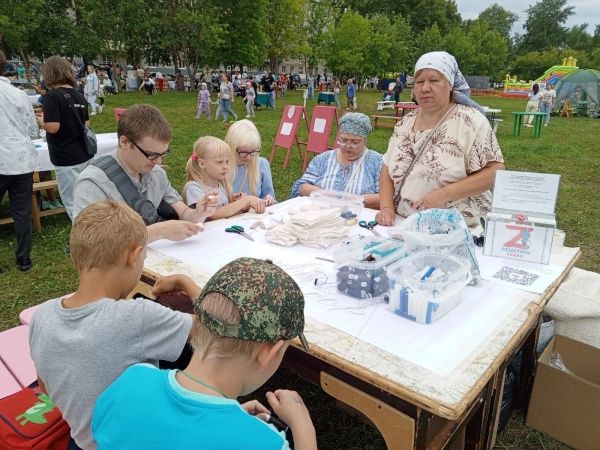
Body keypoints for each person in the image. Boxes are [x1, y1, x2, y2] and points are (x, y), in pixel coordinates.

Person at [92, 257, 317, 450]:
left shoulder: (131, 380)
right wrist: (302, 426)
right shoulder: (265, 443)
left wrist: (230, 419)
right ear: (269, 353)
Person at [29, 200, 197, 450]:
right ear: (134, 256)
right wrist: (184, 281)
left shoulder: (41, 316)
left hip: (82, 440)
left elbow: (44, 385)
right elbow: (214, 323)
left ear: (76, 256)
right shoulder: (136, 317)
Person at [375, 51, 505, 231]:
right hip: (404, 225)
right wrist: (387, 208)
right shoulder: (406, 122)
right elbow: (387, 168)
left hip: (456, 229)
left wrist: (444, 194)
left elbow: (495, 171)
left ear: (450, 84)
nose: (425, 88)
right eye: (419, 82)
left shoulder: (470, 121)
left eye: (434, 80)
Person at [73, 104, 218, 242]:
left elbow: (184, 214)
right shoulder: (92, 183)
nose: (159, 161)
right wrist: (160, 231)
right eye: (151, 154)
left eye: (163, 153)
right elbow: (92, 243)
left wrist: (199, 212)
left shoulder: (157, 174)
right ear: (125, 142)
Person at [35, 56, 93, 221]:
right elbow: (86, 123)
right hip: (84, 153)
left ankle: (83, 240)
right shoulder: (79, 95)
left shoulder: (53, 96)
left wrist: (41, 122)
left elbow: (53, 127)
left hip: (65, 157)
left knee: (72, 202)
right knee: (86, 198)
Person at [291, 113, 383, 208]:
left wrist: (360, 200)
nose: (348, 146)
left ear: (365, 141)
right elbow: (300, 187)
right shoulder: (323, 159)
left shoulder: (377, 162)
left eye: (355, 142)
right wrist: (322, 193)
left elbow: (388, 197)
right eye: (343, 140)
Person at [0, 51, 39, 272]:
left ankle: (24, 256)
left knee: (22, 210)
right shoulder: (18, 94)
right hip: (21, 158)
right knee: (22, 211)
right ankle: (24, 256)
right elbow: (32, 129)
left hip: (6, 158)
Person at [183, 136, 267, 219]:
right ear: (202, 164)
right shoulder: (194, 188)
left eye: (227, 161)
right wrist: (245, 201)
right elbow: (212, 215)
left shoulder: (221, 185)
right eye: (219, 162)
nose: (226, 166)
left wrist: (242, 207)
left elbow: (226, 216)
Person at [225, 120, 275, 204]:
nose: (249, 157)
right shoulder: (220, 168)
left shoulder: (261, 164)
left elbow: (270, 198)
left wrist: (268, 200)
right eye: (243, 152)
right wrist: (232, 202)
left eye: (253, 151)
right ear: (229, 146)